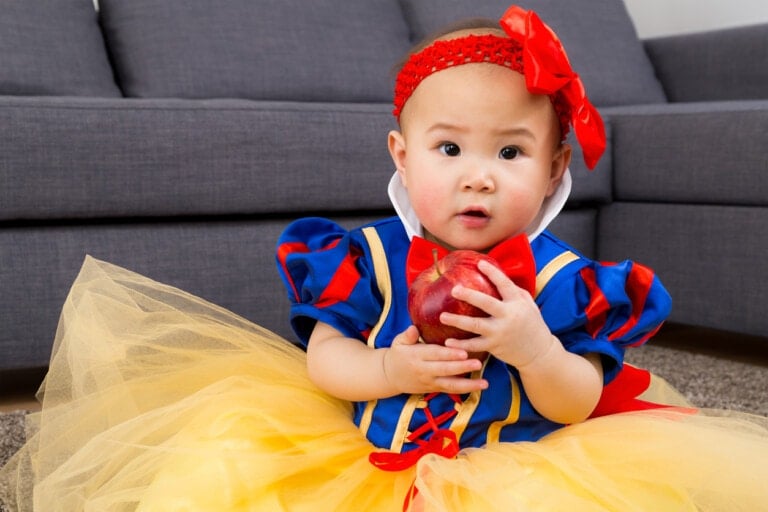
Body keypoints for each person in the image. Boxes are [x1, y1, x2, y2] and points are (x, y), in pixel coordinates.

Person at [1, 5, 767, 512]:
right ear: (403, 157)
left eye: (510, 151)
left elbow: (578, 402)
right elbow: (325, 361)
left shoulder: (568, 282)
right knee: (228, 473)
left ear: (556, 167)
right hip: (367, 452)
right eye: (449, 148)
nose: (478, 173)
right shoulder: (364, 256)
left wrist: (534, 348)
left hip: (519, 467)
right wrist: (388, 372)